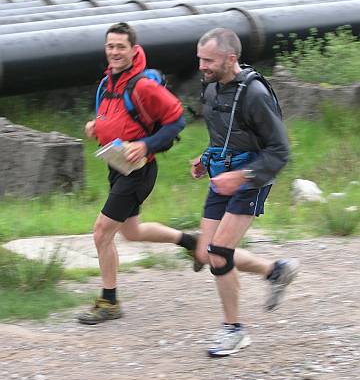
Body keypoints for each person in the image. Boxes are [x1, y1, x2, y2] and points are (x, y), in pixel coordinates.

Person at [78, 22, 196, 325]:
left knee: (102, 232)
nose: (114, 52)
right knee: (131, 232)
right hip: (117, 165)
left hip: (138, 169)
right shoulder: (108, 82)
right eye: (110, 46)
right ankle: (190, 242)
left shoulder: (143, 84)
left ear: (133, 49)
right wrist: (97, 127)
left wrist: (145, 145)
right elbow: (113, 117)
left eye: (120, 47)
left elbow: (177, 121)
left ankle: (110, 302)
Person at [192, 28, 299, 357]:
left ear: (231, 58)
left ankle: (234, 330)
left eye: (208, 60)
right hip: (222, 175)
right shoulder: (212, 88)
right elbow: (224, 136)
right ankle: (276, 271)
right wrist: (205, 158)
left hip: (251, 178)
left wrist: (241, 177)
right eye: (200, 59)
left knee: (220, 252)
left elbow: (280, 151)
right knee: (205, 253)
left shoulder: (255, 94)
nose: (202, 66)